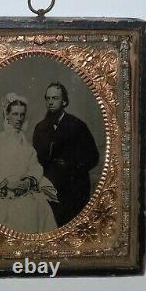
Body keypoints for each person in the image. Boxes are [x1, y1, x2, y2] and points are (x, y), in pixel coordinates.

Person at [0, 93, 57, 234]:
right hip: (0, 193)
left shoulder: (27, 146)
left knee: (38, 208)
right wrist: (6, 182)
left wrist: (28, 182)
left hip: (23, 192)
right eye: (15, 114)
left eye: (22, 115)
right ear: (7, 115)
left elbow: (35, 167)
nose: (19, 119)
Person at [33, 82, 99, 227]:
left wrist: (68, 167)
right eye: (48, 98)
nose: (50, 102)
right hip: (48, 191)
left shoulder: (78, 126)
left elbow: (93, 157)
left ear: (64, 101)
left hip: (73, 190)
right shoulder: (40, 128)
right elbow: (36, 160)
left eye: (55, 98)